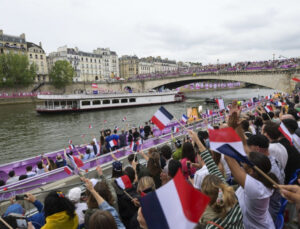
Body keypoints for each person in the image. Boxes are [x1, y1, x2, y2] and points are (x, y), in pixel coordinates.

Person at [189, 130, 244, 228]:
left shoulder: (213, 226)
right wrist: (197, 140)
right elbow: (212, 165)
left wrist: (197, 140)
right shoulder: (234, 200)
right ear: (222, 188)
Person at [247, 134, 284, 222]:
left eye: (249, 147)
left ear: (257, 148)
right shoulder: (272, 160)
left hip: (267, 215)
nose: (248, 151)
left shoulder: (265, 169)